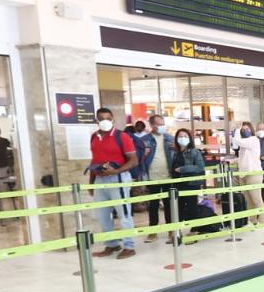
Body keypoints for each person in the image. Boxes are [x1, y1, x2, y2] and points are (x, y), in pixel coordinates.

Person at [88, 107, 138, 259]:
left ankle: (129, 246)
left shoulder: (121, 136)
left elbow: (134, 160)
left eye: (108, 118)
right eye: (101, 118)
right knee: (102, 215)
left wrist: (116, 171)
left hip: (118, 178)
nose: (105, 121)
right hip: (99, 180)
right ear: (96, 120)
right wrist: (91, 182)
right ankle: (111, 244)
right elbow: (94, 159)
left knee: (124, 214)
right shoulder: (94, 137)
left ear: (113, 119)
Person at [139, 114, 175, 242]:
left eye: (162, 124)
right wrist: (143, 155)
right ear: (152, 125)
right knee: (153, 205)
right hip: (152, 177)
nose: (161, 127)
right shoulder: (144, 140)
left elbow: (178, 155)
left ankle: (172, 230)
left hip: (168, 176)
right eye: (159, 124)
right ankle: (153, 231)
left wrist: (176, 148)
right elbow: (138, 159)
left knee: (169, 205)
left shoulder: (170, 139)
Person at [170, 128, 206, 236]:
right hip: (177, 183)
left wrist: (183, 169)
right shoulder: (174, 153)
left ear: (189, 138)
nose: (183, 138)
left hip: (191, 183)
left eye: (185, 136)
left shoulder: (194, 152)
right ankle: (177, 230)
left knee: (192, 207)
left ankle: (194, 230)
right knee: (178, 207)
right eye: (180, 136)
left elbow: (200, 167)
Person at [233, 121, 264, 224]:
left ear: (251, 130)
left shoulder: (253, 140)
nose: (244, 131)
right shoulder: (244, 143)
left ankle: (262, 222)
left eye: (247, 129)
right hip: (243, 175)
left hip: (254, 174)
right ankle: (253, 221)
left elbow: (237, 141)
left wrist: (237, 129)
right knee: (249, 201)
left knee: (257, 200)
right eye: (243, 130)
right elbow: (237, 148)